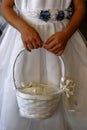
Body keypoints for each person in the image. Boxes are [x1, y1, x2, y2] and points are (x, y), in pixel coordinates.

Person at [0, 0, 87, 130]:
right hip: (24, 36)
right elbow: (5, 7)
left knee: (68, 87)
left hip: (62, 37)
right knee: (19, 84)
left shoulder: (65, 35)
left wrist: (66, 34)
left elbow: (80, 7)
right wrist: (23, 28)